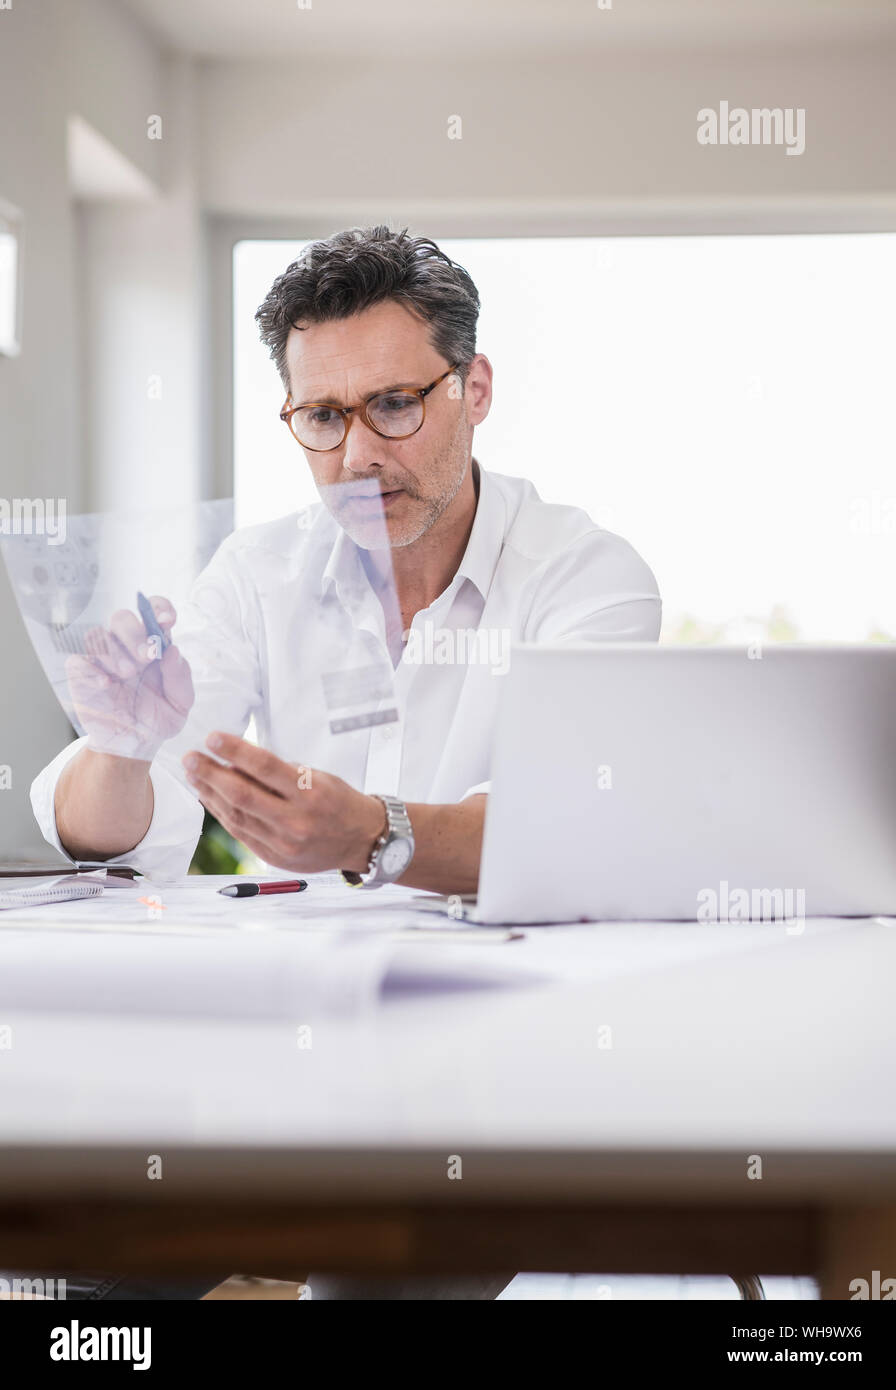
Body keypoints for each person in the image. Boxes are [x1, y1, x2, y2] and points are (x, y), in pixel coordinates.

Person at [24, 226, 662, 1299]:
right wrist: (120, 739)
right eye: (324, 417)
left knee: (379, 1289)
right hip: (283, 1040)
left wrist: (372, 832)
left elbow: (566, 830)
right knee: (95, 1269)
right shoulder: (261, 569)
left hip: (494, 1053)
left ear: (477, 387)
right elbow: (107, 827)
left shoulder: (587, 576)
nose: (362, 456)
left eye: (396, 405)